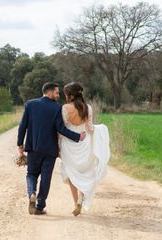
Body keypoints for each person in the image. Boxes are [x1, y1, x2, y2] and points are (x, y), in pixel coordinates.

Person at [17, 82, 86, 215]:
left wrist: (20, 145)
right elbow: (61, 129)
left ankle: (32, 193)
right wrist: (78, 137)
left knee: (31, 174)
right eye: (56, 92)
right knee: (46, 178)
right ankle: (40, 205)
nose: (58, 95)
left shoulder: (30, 104)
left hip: (33, 148)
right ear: (48, 92)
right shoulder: (56, 108)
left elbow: (22, 126)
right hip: (50, 150)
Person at [59, 82, 110, 216]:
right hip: (84, 142)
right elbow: (90, 128)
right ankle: (81, 198)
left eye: (65, 94)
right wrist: (102, 129)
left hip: (69, 143)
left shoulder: (65, 108)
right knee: (85, 172)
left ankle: (76, 202)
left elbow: (62, 128)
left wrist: (58, 145)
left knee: (71, 173)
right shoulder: (88, 108)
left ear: (70, 95)